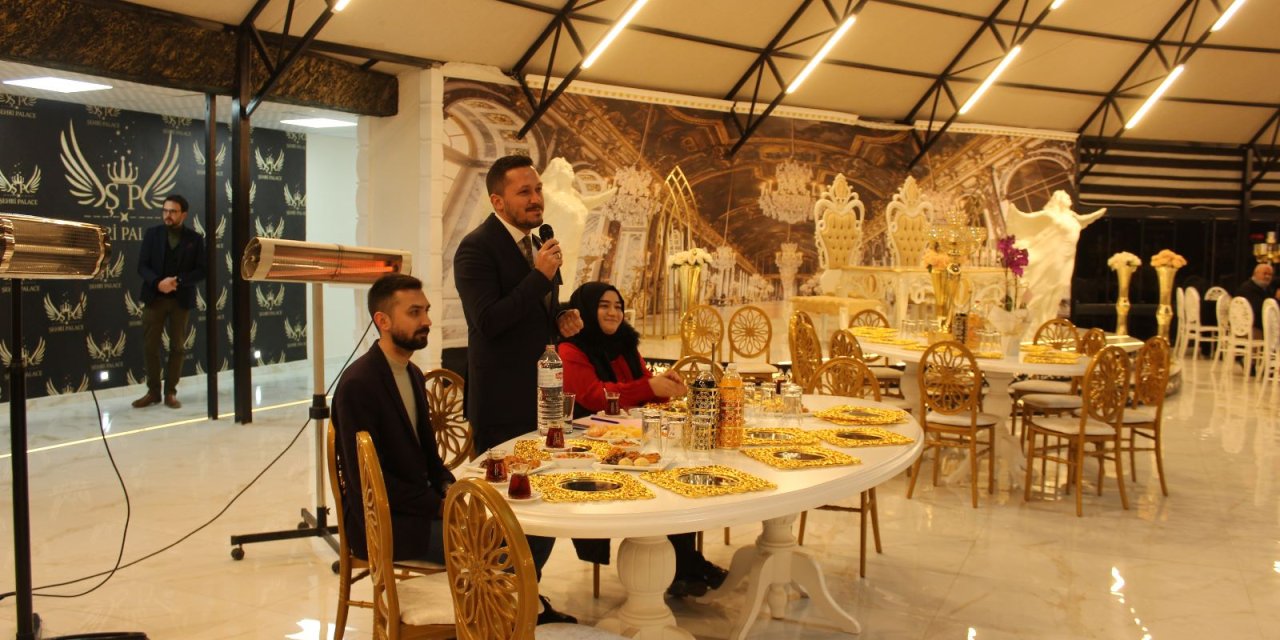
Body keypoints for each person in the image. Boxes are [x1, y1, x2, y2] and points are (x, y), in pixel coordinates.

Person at [453, 154, 582, 624]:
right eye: (523, 191)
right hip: (502, 401)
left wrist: (561, 319)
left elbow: (535, 310)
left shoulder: (540, 241)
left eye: (538, 189)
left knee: (546, 498)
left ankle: (521, 594)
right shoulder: (475, 249)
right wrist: (539, 276)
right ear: (497, 200)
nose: (535, 198)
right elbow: (488, 321)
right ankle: (499, 601)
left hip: (543, 397)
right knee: (509, 509)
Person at [558, 281, 729, 597]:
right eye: (604, 306)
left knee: (677, 473)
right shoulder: (570, 349)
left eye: (618, 306)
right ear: (584, 311)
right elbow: (594, 395)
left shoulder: (625, 343)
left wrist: (664, 387)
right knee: (663, 479)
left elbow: (642, 387)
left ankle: (682, 565)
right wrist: (650, 387)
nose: (613, 312)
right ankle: (680, 567)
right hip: (592, 449)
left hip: (631, 439)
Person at [332, 274, 453, 566]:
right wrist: (436, 506)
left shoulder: (412, 373)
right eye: (414, 312)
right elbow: (368, 481)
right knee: (495, 543)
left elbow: (429, 457)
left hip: (417, 509)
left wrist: (450, 490)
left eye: (426, 311)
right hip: (384, 523)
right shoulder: (359, 384)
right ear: (383, 321)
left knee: (515, 530)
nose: (426, 321)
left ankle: (508, 596)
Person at [133, 194, 206, 409]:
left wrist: (178, 281)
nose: (168, 215)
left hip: (180, 300)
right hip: (154, 298)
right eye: (165, 210)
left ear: (183, 214)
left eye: (173, 211)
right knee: (150, 346)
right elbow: (142, 266)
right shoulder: (152, 234)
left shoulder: (195, 239)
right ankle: (153, 392)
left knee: (177, 347)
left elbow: (201, 270)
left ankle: (170, 392)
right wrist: (158, 283)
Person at [1233, 263, 1279, 329]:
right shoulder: (1248, 288)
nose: (1268, 277)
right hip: (1251, 327)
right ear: (1255, 274)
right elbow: (1261, 310)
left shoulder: (1265, 288)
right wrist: (1276, 299)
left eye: (1270, 275)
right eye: (1265, 273)